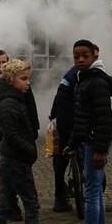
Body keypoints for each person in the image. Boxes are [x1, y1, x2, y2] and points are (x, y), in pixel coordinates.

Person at [0, 59, 47, 224]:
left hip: (11, 158)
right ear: (11, 80)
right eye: (23, 78)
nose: (28, 82)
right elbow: (12, 135)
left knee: (5, 205)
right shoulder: (8, 104)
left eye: (28, 78)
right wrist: (31, 151)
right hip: (15, 160)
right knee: (31, 204)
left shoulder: (15, 98)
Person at [64, 40, 112, 224]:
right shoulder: (84, 78)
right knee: (96, 192)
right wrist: (73, 143)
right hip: (90, 140)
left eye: (85, 55)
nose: (80, 59)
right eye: (76, 56)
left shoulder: (96, 82)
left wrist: (100, 150)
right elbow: (82, 117)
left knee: (92, 193)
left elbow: (104, 118)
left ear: (95, 54)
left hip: (96, 142)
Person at [0, 49, 39, 221]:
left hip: (24, 129)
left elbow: (30, 104)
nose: (1, 65)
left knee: (24, 168)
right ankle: (11, 205)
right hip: (4, 132)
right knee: (6, 171)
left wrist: (35, 128)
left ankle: (27, 200)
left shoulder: (21, 79)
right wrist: (4, 81)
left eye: (4, 62)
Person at [48, 64, 78, 212]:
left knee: (59, 161)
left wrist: (53, 115)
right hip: (72, 124)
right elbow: (60, 96)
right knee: (61, 160)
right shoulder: (75, 75)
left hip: (65, 122)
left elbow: (58, 96)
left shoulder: (69, 75)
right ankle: (61, 198)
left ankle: (60, 198)